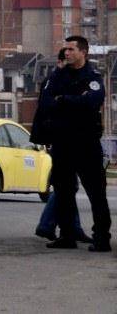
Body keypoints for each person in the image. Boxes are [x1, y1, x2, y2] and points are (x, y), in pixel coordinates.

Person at [30, 35, 111, 252]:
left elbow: (93, 101)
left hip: (86, 143)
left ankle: (101, 237)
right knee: (63, 191)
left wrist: (63, 100)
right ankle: (67, 236)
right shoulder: (58, 75)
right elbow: (46, 102)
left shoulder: (92, 75)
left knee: (96, 193)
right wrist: (74, 100)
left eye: (71, 49)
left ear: (83, 52)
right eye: (65, 49)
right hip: (63, 142)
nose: (66, 53)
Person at [34, 48, 89, 242]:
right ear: (60, 63)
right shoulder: (56, 81)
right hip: (61, 138)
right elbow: (52, 108)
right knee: (66, 186)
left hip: (64, 137)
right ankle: (48, 224)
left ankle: (72, 227)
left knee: (68, 186)